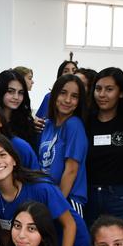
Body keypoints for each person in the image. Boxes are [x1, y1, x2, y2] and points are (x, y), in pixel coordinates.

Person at [0, 134, 90, 246]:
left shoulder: (42, 188)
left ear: (14, 160)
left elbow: (69, 225)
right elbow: (5, 234)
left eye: (2, 155)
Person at [84, 67, 123, 236]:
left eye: (109, 89)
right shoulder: (85, 120)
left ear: (121, 93)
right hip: (90, 197)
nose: (102, 94)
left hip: (122, 197)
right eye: (98, 89)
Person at [39, 74, 88, 214]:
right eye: (63, 93)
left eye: (74, 96)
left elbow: (71, 170)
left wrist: (56, 205)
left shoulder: (74, 125)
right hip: (49, 197)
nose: (67, 100)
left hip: (67, 199)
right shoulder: (48, 125)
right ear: (54, 94)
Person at [0, 69, 38, 147]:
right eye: (10, 91)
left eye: (20, 92)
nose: (16, 97)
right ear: (0, 91)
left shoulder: (26, 123)